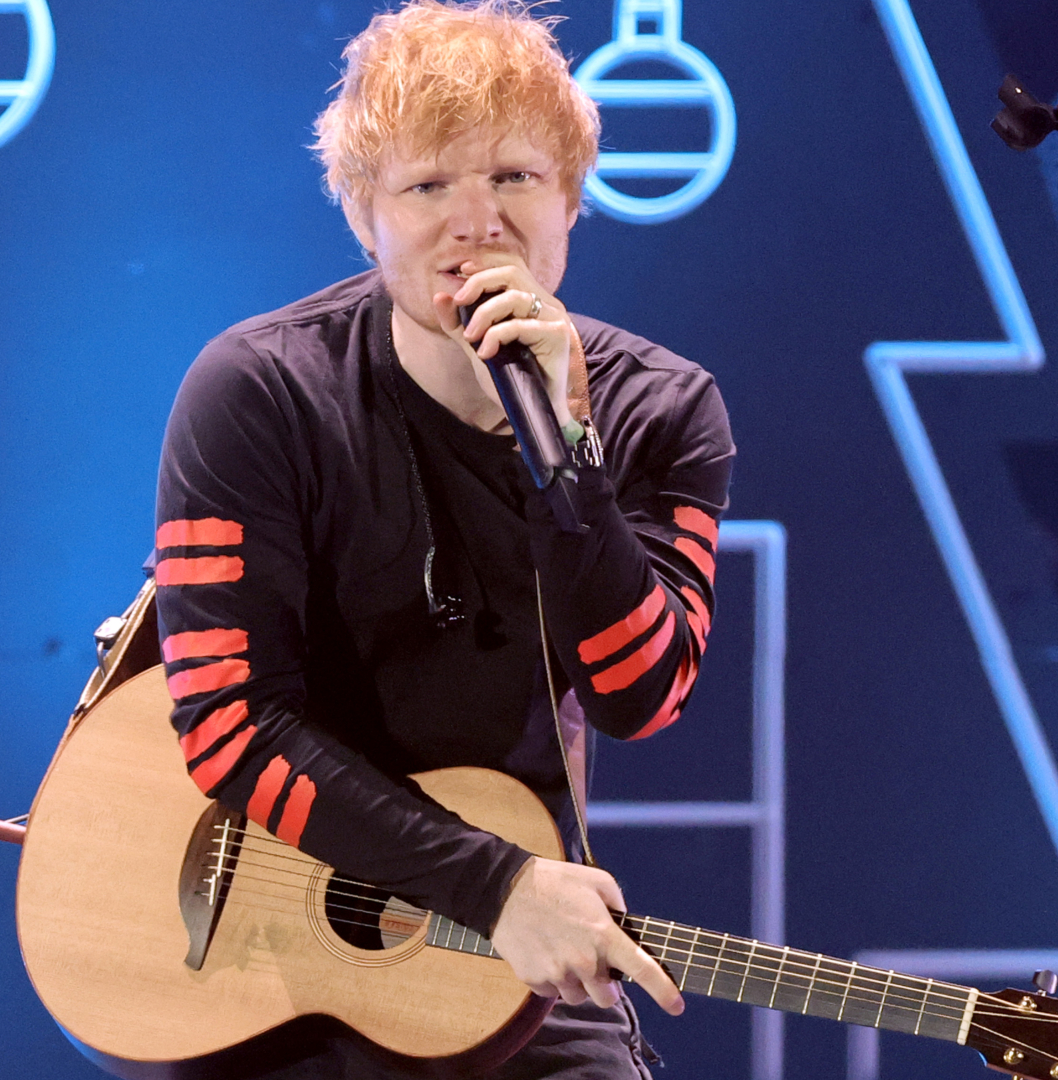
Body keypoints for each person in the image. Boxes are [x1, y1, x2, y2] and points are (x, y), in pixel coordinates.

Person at [151, 2, 733, 1075]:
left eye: (514, 177)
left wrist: (569, 458)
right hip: (277, 929)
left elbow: (642, 696)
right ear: (365, 216)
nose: (478, 222)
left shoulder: (662, 407)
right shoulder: (257, 392)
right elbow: (229, 725)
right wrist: (496, 882)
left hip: (502, 955)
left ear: (571, 197)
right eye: (427, 187)